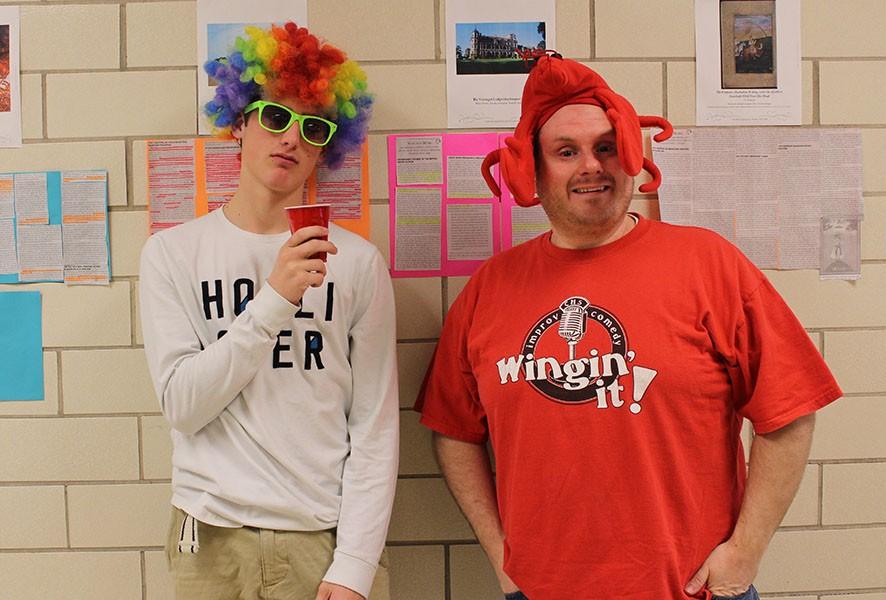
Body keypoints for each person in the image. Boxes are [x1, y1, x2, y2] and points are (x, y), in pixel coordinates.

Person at [415, 52, 842, 600]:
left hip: (691, 591)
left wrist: (745, 553)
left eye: (606, 147)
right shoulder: (490, 288)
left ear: (631, 155)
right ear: (534, 170)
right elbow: (453, 431)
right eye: (566, 152)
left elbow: (789, 410)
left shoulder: (708, 263)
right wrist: (501, 554)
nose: (591, 166)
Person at [140, 23, 398, 600]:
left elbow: (375, 424)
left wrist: (355, 562)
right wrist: (275, 302)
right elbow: (183, 406)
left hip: (323, 539)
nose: (291, 139)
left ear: (327, 146)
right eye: (275, 118)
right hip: (210, 540)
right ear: (239, 123)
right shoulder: (172, 253)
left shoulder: (356, 263)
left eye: (313, 127)